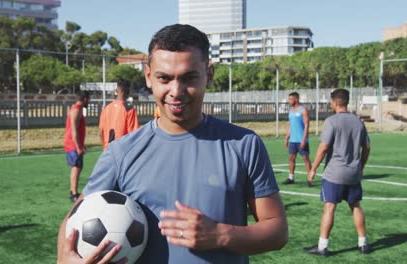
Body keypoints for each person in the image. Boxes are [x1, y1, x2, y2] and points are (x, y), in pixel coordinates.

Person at [57, 24, 288, 264]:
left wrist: (220, 234)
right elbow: (72, 221)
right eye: (164, 78)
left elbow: (277, 230)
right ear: (149, 77)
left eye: (188, 78)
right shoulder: (121, 152)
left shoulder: (244, 145)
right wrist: (66, 259)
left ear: (208, 75)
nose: (175, 91)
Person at [304, 89, 371, 256]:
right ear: (346, 102)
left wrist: (313, 169)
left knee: (329, 207)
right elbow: (367, 147)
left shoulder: (331, 121)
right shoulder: (358, 122)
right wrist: (360, 166)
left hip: (334, 173)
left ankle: (322, 246)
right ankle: (363, 243)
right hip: (353, 173)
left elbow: (323, 147)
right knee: (355, 206)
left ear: (334, 102)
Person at [63, 91, 90, 203]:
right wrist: (78, 146)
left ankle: (73, 191)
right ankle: (73, 193)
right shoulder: (76, 110)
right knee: (76, 167)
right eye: (88, 99)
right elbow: (74, 129)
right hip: (72, 144)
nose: (89, 101)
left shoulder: (76, 109)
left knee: (78, 167)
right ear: (84, 99)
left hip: (75, 143)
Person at [99, 80, 140, 150]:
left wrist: (104, 147)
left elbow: (101, 130)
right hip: (122, 150)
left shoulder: (106, 108)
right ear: (128, 92)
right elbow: (134, 133)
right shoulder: (129, 110)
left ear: (116, 91)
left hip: (107, 150)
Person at [283, 92, 311, 185]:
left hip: (301, 140)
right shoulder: (291, 111)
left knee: (305, 159)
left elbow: (307, 125)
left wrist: (304, 139)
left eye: (290, 99)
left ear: (296, 99)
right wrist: (287, 138)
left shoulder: (303, 110)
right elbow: (291, 125)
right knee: (291, 158)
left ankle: (310, 179)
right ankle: (291, 178)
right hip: (293, 140)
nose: (289, 101)